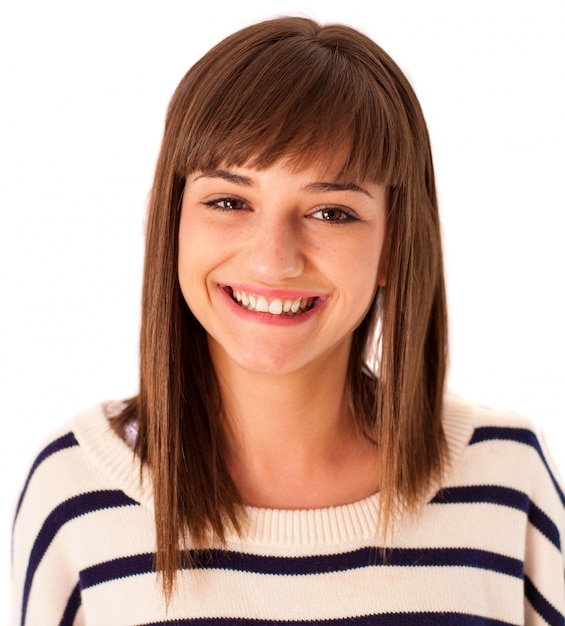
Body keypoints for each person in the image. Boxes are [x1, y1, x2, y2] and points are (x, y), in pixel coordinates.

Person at [11, 16, 564, 625]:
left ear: (396, 244)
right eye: (229, 201)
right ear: (173, 223)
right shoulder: (76, 490)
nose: (274, 259)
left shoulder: (506, 477)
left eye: (331, 211)